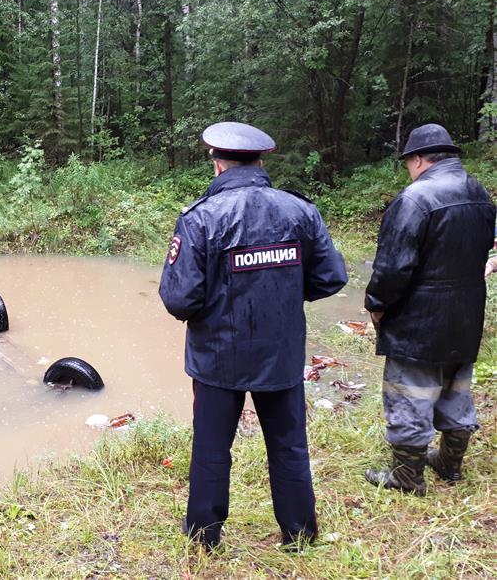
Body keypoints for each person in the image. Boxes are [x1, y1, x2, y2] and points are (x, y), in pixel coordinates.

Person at [159, 122, 348, 551]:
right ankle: (300, 535)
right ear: (261, 160)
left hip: (216, 359)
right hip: (280, 355)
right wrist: (283, 293)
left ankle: (203, 539)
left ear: (216, 163)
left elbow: (179, 299)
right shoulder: (300, 211)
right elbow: (330, 278)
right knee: (289, 446)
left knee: (211, 450)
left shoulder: (201, 219)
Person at [364, 124, 496, 495]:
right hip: (467, 313)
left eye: (408, 161)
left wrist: (376, 305)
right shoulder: (479, 193)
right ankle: (450, 465)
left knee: (409, 392)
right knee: (456, 387)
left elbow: (392, 268)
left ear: (419, 159)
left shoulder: (414, 199)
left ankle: (407, 476)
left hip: (419, 319)